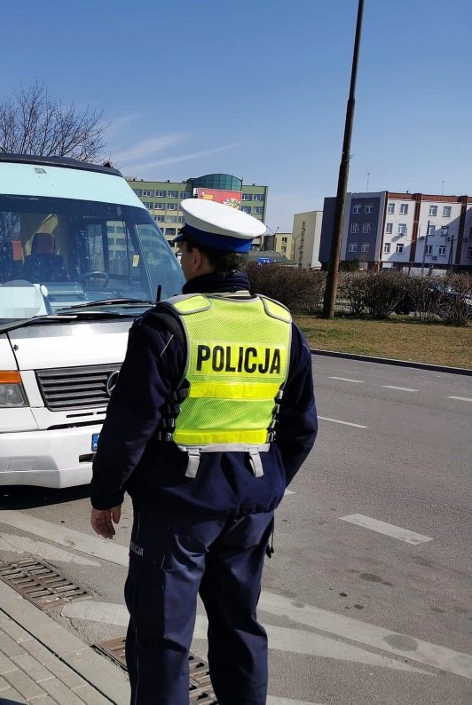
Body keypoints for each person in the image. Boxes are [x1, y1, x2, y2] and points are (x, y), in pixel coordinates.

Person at [89, 198, 318, 705]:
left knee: (163, 638)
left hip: (178, 511)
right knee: (240, 628)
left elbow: (129, 426)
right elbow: (301, 426)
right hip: (252, 510)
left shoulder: (168, 324)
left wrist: (106, 495)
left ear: (194, 257)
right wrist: (268, 483)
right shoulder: (282, 326)